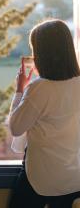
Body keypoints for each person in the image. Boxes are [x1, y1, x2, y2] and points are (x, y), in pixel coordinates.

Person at [8, 19, 80, 208]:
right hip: (74, 179)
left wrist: (19, 90)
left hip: (41, 180)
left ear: (42, 54)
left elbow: (16, 128)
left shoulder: (39, 88)